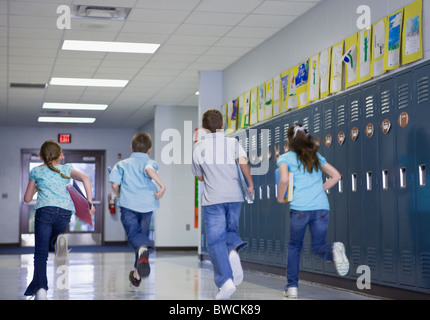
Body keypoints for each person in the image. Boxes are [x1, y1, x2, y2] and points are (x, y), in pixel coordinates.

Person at [276, 123, 349, 299]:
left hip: (300, 208)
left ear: (288, 141)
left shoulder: (285, 158)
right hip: (321, 207)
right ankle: (333, 250)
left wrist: (280, 197)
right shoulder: (315, 156)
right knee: (318, 246)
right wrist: (319, 190)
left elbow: (284, 179)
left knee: (294, 247)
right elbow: (337, 176)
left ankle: (292, 287)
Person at [192, 109, 254, 300]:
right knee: (230, 231)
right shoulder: (233, 142)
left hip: (214, 199)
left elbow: (200, 176)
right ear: (222, 126)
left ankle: (225, 281)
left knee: (215, 241)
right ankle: (234, 251)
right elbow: (243, 163)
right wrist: (250, 184)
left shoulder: (198, 148)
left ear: (203, 128)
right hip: (235, 196)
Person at [23, 140, 95, 300]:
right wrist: (89, 203)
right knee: (53, 239)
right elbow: (85, 179)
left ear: (40, 156)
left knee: (40, 252)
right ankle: (57, 242)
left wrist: (36, 188)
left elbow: (27, 199)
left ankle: (41, 290)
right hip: (64, 212)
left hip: (45, 211)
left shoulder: (36, 171)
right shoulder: (67, 168)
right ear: (61, 156)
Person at [109, 132, 165, 288]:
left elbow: (114, 185)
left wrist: (120, 194)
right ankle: (137, 274)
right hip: (147, 207)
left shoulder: (121, 164)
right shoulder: (151, 162)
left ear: (131, 148)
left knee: (135, 237)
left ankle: (140, 262)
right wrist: (161, 185)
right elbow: (148, 169)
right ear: (149, 150)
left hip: (128, 205)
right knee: (142, 239)